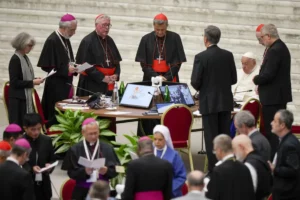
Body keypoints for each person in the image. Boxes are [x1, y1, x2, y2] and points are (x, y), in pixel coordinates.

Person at [191, 25, 237, 172]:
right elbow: (234, 79)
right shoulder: (228, 55)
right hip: (225, 102)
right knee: (224, 137)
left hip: (209, 103)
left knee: (211, 139)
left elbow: (195, 82)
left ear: (205, 39)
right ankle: (226, 167)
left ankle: (213, 172)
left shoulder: (201, 57)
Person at [253, 24, 292, 159]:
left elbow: (269, 74)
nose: (262, 41)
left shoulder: (275, 50)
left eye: (262, 38)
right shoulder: (281, 47)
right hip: (277, 96)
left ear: (268, 36)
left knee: (273, 131)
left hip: (273, 98)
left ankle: (273, 159)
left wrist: (256, 79)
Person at [62, 118, 120, 200]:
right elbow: (71, 173)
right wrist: (84, 171)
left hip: (102, 191)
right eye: (90, 134)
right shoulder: (75, 149)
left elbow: (117, 170)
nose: (93, 136)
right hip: (82, 190)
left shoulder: (108, 148)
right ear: (83, 133)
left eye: (95, 133)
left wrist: (107, 170)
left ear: (99, 131)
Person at [37, 13, 77, 125]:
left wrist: (74, 67)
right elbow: (47, 66)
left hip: (66, 85)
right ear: (65, 28)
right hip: (55, 87)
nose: (74, 33)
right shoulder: (52, 40)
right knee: (55, 117)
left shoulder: (65, 38)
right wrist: (66, 70)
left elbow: (67, 60)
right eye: (72, 30)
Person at [76, 14, 122, 96]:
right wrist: (102, 78)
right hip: (91, 84)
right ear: (96, 25)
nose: (107, 28)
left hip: (108, 83)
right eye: (104, 25)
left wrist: (116, 74)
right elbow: (84, 65)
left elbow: (117, 62)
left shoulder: (110, 40)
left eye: (108, 25)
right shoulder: (87, 41)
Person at [136, 13, 186, 82]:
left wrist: (167, 77)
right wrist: (156, 77)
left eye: (163, 29)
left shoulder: (175, 38)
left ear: (167, 26)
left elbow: (177, 63)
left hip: (170, 78)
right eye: (157, 29)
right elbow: (144, 64)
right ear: (153, 26)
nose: (160, 32)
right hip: (151, 77)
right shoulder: (146, 39)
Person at [8, 32, 44, 127]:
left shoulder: (25, 58)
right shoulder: (15, 59)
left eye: (32, 46)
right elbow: (14, 82)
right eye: (29, 45)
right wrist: (32, 82)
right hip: (18, 99)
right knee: (19, 126)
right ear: (22, 44)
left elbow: (24, 77)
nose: (31, 48)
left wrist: (35, 80)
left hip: (24, 97)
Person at [205, 134, 255, 200]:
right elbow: (251, 193)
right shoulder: (244, 167)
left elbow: (212, 196)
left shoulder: (218, 171)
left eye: (214, 150)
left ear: (219, 150)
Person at [22, 113, 56, 200]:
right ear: (25, 128)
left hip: (44, 183)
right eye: (33, 129)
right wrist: (31, 169)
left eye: (39, 129)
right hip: (27, 184)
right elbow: (18, 163)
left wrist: (50, 166)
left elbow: (52, 159)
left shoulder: (46, 140)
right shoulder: (20, 142)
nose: (36, 132)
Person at [269, 110, 300, 200]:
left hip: (287, 194)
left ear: (282, 125)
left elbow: (293, 170)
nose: (271, 123)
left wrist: (275, 169)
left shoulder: (289, 145)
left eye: (274, 121)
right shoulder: (285, 140)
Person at [232, 135, 272, 200]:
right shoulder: (260, 158)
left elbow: (246, 193)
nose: (234, 153)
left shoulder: (249, 165)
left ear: (241, 147)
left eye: (234, 149)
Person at [153, 125, 186, 198]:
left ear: (166, 139)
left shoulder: (174, 155)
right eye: (155, 139)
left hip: (169, 193)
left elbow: (181, 177)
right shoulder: (149, 152)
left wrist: (168, 190)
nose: (157, 142)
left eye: (160, 139)